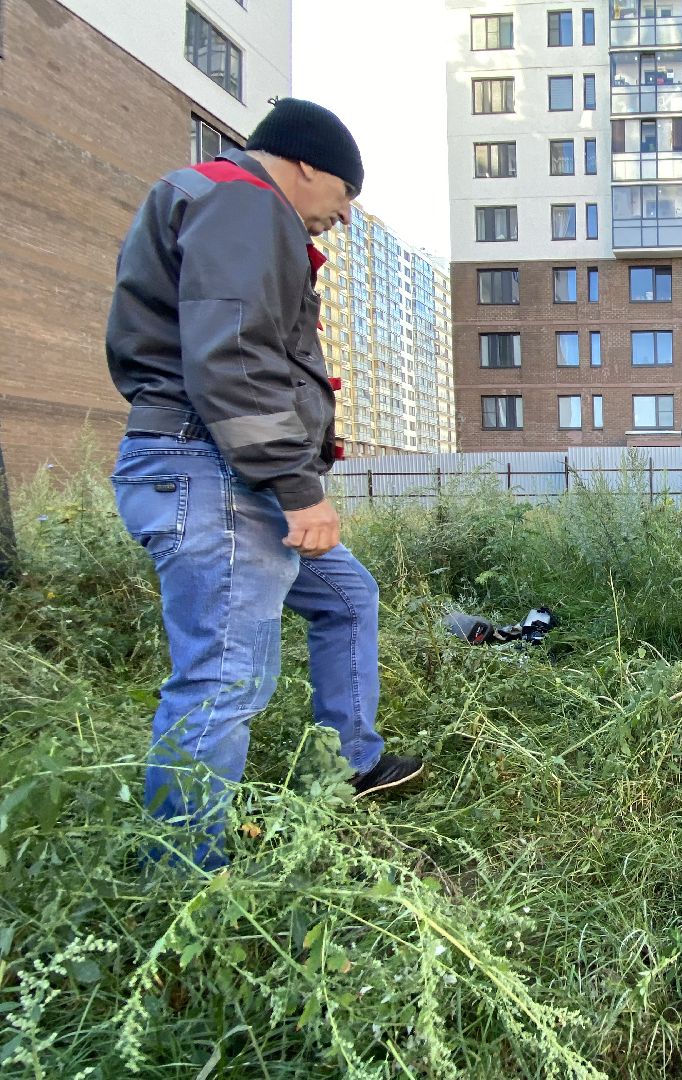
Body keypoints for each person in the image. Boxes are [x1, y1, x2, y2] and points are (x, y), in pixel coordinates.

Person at [106, 99, 422, 870]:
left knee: (347, 597)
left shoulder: (222, 204)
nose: (343, 219)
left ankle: (350, 765)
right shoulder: (246, 202)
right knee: (222, 678)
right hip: (214, 469)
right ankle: (182, 883)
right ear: (307, 165)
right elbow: (237, 359)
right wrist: (297, 487)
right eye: (345, 198)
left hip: (225, 467)